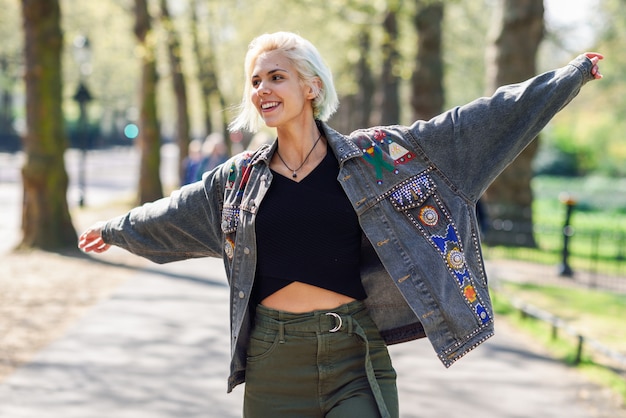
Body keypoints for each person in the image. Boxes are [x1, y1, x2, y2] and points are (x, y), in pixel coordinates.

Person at [78, 31, 603, 418]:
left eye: (276, 76)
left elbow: (473, 124)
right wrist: (117, 227)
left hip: (354, 352)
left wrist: (567, 77)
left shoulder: (379, 157)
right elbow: (175, 212)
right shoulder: (236, 180)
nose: (262, 88)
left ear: (310, 86)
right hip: (272, 361)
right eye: (255, 81)